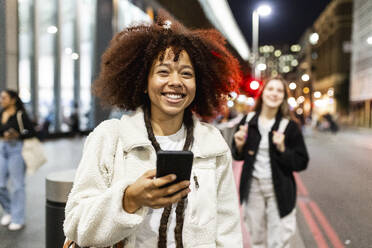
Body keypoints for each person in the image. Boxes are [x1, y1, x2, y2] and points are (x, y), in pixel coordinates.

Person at [63, 11, 243, 248]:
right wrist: (129, 199)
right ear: (144, 83)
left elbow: (227, 231)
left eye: (186, 74)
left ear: (198, 85)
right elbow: (77, 225)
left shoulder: (213, 145)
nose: (176, 82)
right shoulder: (110, 137)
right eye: (163, 71)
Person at [232, 77, 309, 248]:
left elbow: (301, 161)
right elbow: (238, 156)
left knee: (279, 240)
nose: (274, 93)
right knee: (256, 238)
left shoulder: (289, 126)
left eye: (279, 90)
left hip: (279, 187)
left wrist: (282, 149)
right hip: (253, 186)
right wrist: (238, 146)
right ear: (263, 93)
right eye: (270, 89)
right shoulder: (248, 121)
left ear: (283, 97)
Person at [0, 89, 36, 231]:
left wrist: (18, 135)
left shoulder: (20, 114)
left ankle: (18, 218)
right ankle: (9, 210)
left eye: (4, 98)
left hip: (16, 149)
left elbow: (33, 132)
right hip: (2, 148)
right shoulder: (1, 113)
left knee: (17, 185)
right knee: (0, 184)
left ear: (13, 99)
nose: (1, 100)